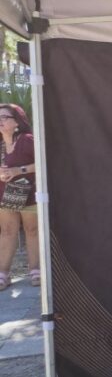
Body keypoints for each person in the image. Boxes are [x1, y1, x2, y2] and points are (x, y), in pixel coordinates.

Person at [0, 103, 37, 291]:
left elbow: (42, 163)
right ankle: (3, 274)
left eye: (4, 117)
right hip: (5, 195)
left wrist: (18, 170)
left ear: (16, 122)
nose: (0, 121)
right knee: (7, 231)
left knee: (32, 230)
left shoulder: (27, 140)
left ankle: (36, 271)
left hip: (29, 194)